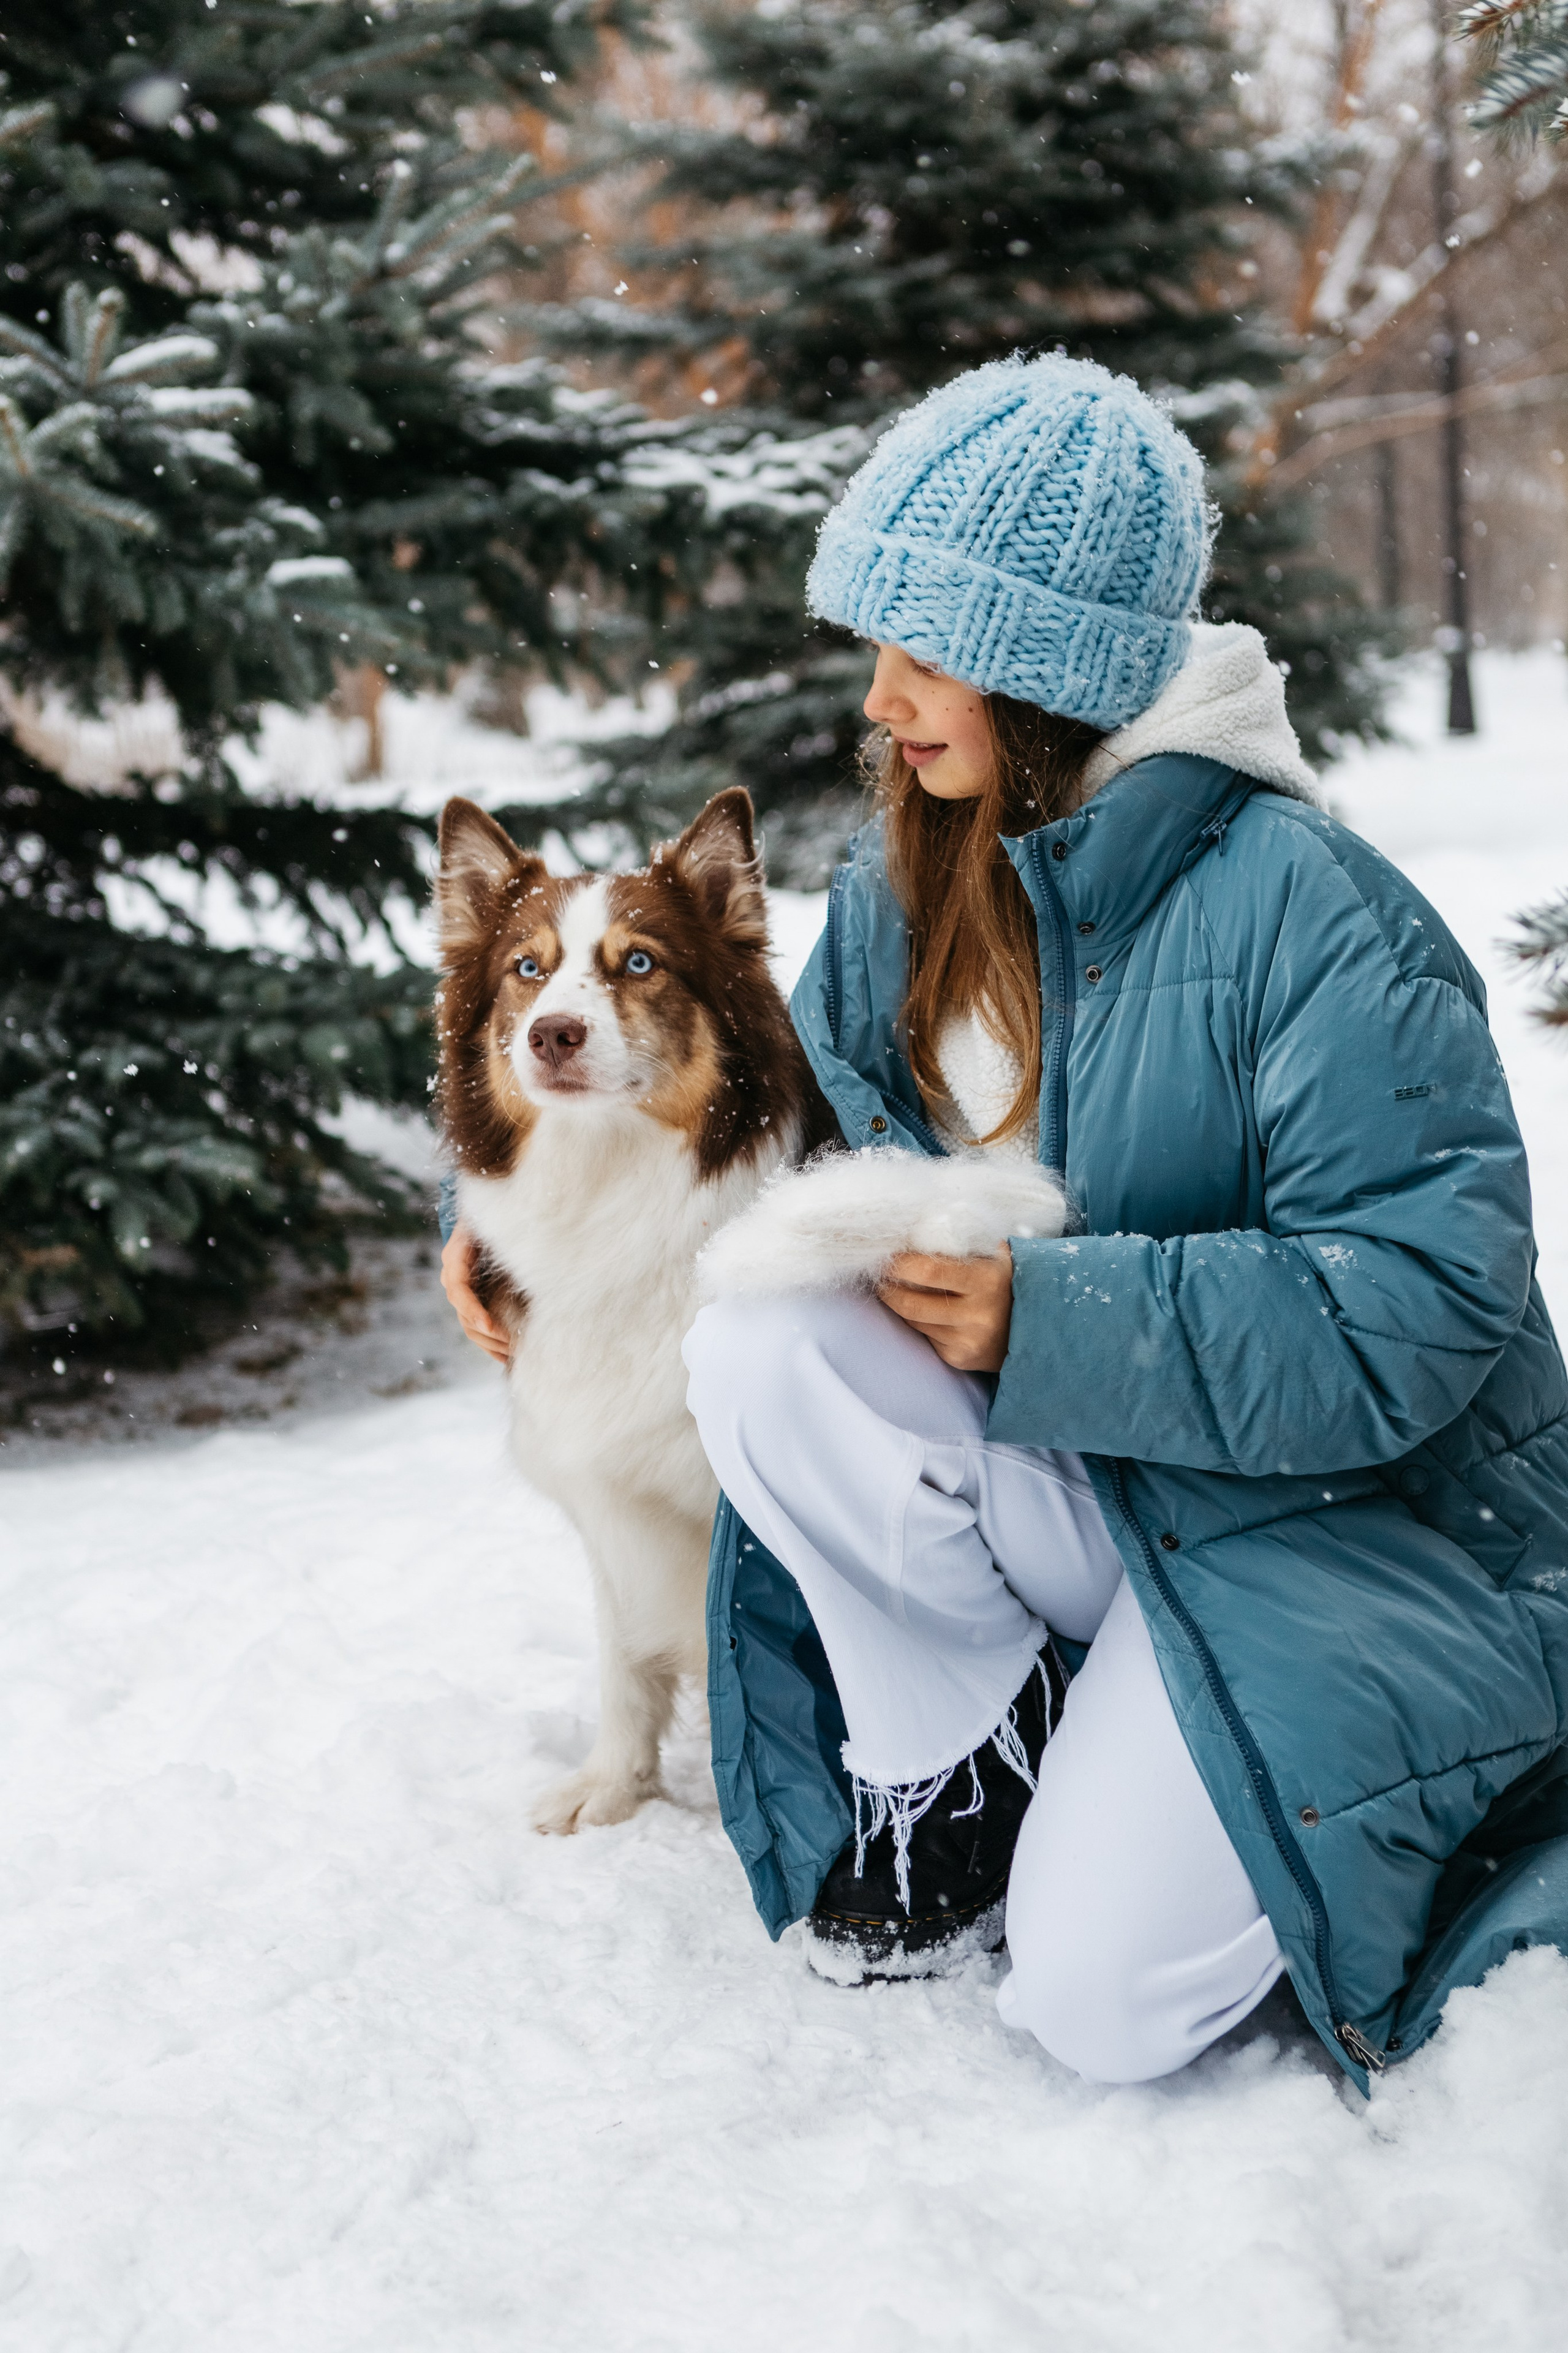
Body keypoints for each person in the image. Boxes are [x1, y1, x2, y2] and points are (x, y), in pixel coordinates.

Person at [445, 355, 1568, 2090]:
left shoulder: (1318, 915)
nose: (877, 700)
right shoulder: (910, 887)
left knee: (1098, 2006)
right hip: (1087, 1503)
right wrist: (521, 1260)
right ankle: (970, 1765)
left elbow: (1422, 1303)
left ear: (1048, 657)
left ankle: (1211, 1774)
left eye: (920, 647)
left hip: (1334, 1533)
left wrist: (1058, 1321)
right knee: (767, 1335)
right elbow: (770, 1164)